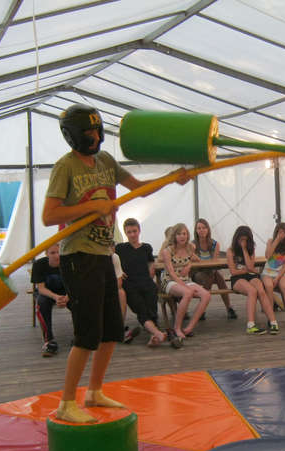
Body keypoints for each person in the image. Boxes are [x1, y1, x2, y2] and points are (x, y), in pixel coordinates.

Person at [42, 103, 189, 423]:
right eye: (89, 133)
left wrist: (171, 178)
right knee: (87, 333)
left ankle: (94, 391)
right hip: (78, 257)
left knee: (111, 329)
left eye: (98, 131)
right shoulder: (65, 167)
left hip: (104, 255)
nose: (96, 137)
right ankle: (67, 402)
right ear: (74, 136)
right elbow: (49, 216)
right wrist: (91, 207)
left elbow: (138, 188)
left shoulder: (106, 161)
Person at [115, 218, 167, 347]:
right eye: (129, 232)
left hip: (146, 282)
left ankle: (153, 335)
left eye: (134, 231)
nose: (132, 234)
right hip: (129, 284)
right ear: (125, 233)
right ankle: (157, 334)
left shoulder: (146, 247)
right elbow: (111, 259)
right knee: (141, 309)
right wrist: (119, 271)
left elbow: (151, 263)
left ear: (139, 231)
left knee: (151, 307)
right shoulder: (120, 248)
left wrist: (150, 274)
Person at [160, 222, 211, 343]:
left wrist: (189, 265)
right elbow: (171, 273)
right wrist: (185, 286)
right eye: (179, 234)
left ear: (187, 235)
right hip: (169, 280)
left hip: (185, 279)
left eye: (184, 234)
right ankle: (177, 328)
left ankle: (189, 328)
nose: (182, 236)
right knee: (187, 293)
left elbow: (197, 260)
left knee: (206, 295)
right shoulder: (167, 251)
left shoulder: (190, 247)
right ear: (174, 236)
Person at [227, 225, 279, 335]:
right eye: (241, 240)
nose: (243, 242)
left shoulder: (251, 249)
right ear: (237, 238)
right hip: (237, 278)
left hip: (250, 275)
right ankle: (251, 325)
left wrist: (245, 249)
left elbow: (250, 266)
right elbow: (233, 271)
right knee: (252, 291)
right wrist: (247, 270)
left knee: (261, 291)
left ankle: (273, 322)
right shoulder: (230, 251)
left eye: (246, 240)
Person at [192, 218, 237, 320]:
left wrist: (209, 269)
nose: (201, 230)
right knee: (215, 277)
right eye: (199, 228)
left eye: (204, 227)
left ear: (208, 229)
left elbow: (214, 263)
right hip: (198, 273)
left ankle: (202, 310)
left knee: (216, 277)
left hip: (211, 271)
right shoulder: (192, 245)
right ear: (196, 230)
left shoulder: (215, 244)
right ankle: (229, 308)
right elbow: (194, 265)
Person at [31, 243, 68, 357]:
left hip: (67, 293)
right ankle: (49, 340)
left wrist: (67, 297)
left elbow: (75, 285)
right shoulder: (39, 264)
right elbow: (41, 288)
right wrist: (56, 297)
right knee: (42, 303)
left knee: (81, 301)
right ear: (46, 254)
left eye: (59, 252)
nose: (57, 256)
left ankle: (80, 336)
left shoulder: (68, 262)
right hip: (47, 293)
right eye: (52, 253)